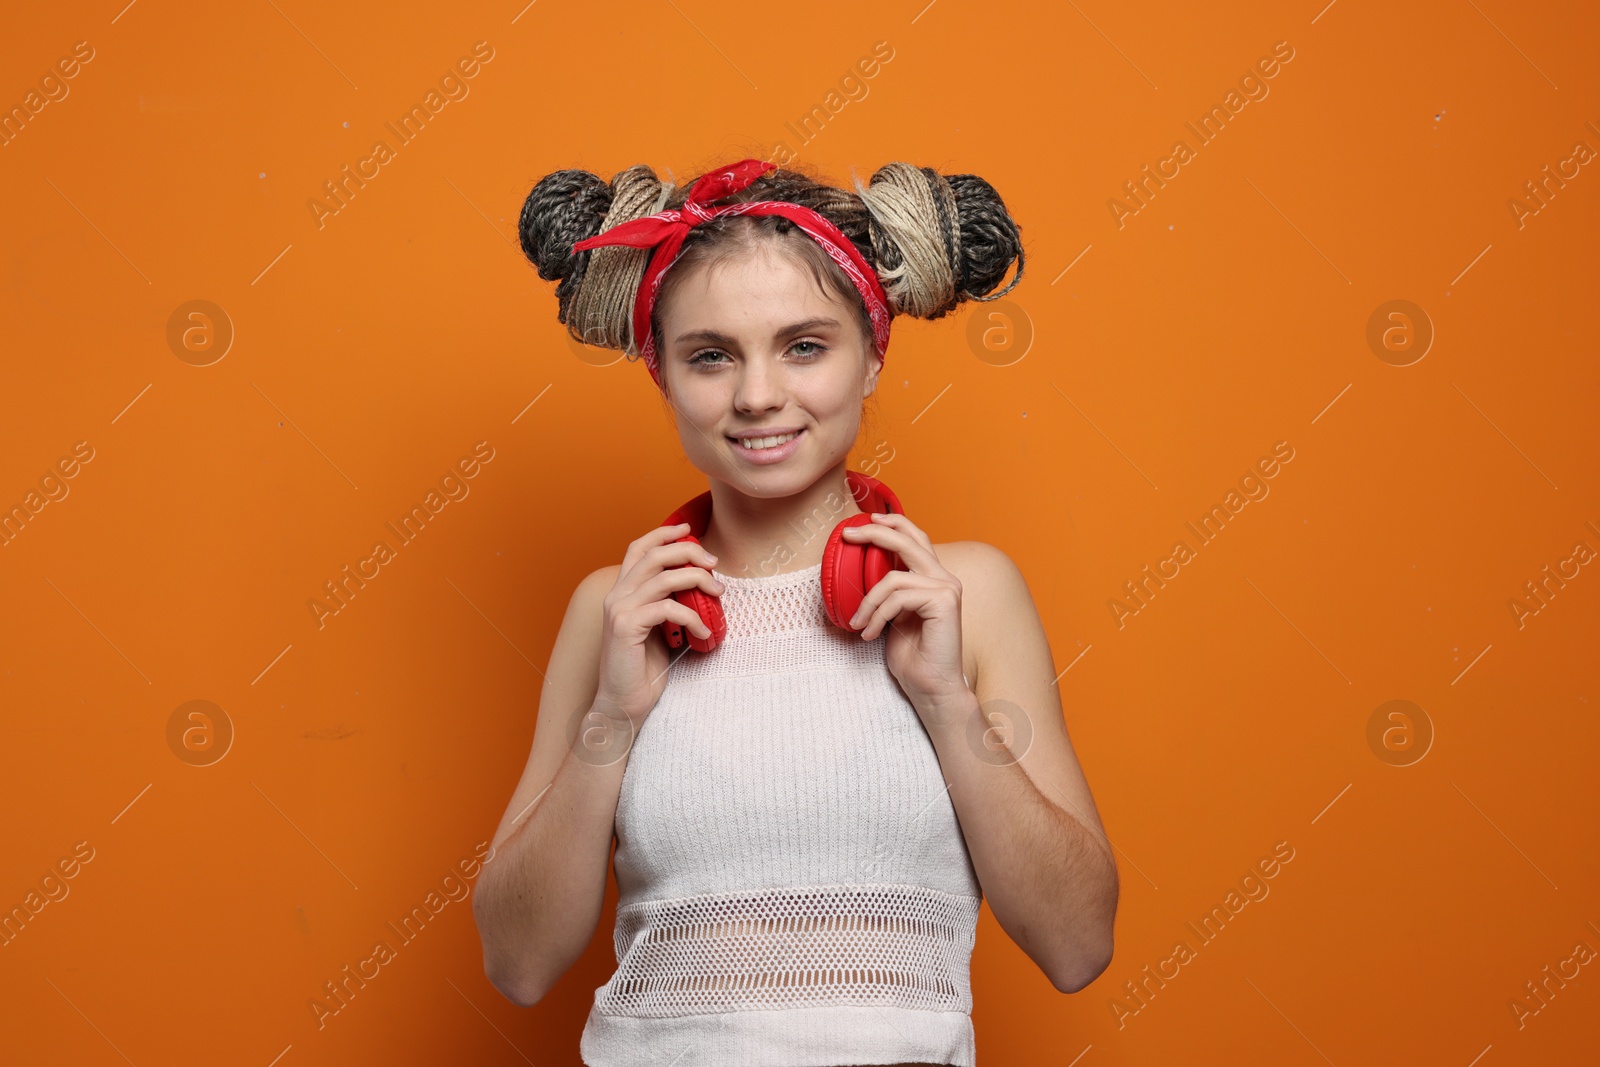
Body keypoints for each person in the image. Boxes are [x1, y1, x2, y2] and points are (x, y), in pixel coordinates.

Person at [472, 157, 1118, 1066]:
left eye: (804, 346)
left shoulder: (966, 593)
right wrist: (613, 719)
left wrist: (946, 701)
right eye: (711, 355)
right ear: (663, 375)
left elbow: (1079, 943)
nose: (757, 396)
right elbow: (519, 962)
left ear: (872, 355)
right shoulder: (615, 609)